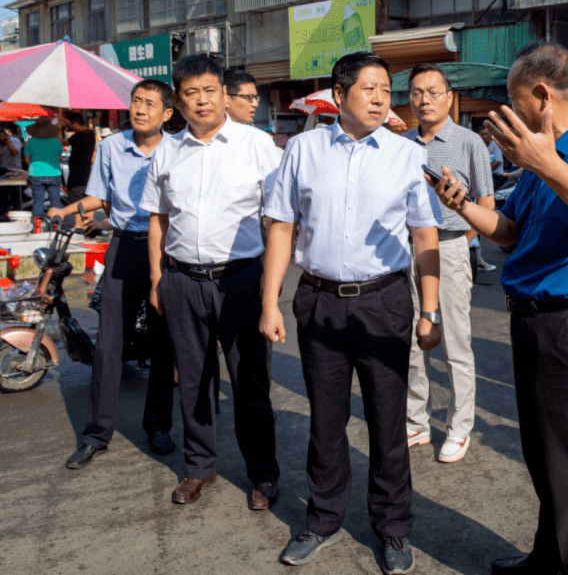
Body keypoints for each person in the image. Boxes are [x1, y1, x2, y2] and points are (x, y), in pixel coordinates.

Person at [433, 41, 568, 575]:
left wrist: (544, 162)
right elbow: (511, 232)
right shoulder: (540, 159)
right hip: (534, 317)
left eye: (515, 98)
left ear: (541, 95)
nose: (510, 109)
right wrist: (465, 206)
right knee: (546, 457)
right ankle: (550, 558)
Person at [259, 52, 441, 574]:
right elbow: (280, 226)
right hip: (318, 301)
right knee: (327, 421)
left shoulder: (407, 154)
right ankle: (323, 519)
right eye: (369, 88)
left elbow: (425, 234)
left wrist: (430, 309)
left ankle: (393, 528)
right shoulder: (303, 149)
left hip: (385, 303)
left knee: (388, 423)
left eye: (386, 88)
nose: (381, 97)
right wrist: (270, 301)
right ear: (339, 95)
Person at [141, 55, 280, 510]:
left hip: (240, 279)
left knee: (249, 382)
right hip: (182, 280)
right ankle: (199, 467)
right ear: (177, 102)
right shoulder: (167, 150)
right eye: (190, 93)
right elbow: (159, 218)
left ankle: (263, 474)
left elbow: (281, 216)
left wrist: (271, 292)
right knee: (194, 381)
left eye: (209, 91)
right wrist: (158, 278)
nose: (201, 101)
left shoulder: (257, 145)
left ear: (224, 93)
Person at [56, 80, 177, 470]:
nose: (140, 109)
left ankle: (158, 425)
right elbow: (103, 197)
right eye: (136, 102)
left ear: (167, 113)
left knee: (163, 342)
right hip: (124, 247)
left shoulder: (179, 150)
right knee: (109, 344)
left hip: (167, 251)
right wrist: (70, 212)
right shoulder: (110, 147)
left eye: (150, 104)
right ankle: (96, 434)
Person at [403, 63, 494, 464]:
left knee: (455, 343)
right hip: (407, 250)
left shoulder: (469, 141)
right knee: (411, 341)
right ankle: (416, 422)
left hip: (452, 246)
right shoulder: (401, 144)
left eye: (433, 91)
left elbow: (487, 205)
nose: (424, 99)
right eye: (417, 92)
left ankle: (460, 428)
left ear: (449, 97)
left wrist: (460, 242)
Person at [59, 113, 97, 230]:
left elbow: (63, 142)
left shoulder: (78, 136)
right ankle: (88, 227)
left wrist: (60, 124)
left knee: (77, 201)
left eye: (72, 125)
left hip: (77, 175)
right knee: (88, 201)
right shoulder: (90, 135)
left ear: (75, 123)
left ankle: (77, 227)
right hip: (88, 173)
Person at [23, 116, 64, 219]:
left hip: (35, 173)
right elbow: (59, 157)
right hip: (54, 173)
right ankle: (56, 227)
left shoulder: (30, 142)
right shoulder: (56, 141)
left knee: (38, 201)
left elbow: (27, 160)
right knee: (55, 201)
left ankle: (38, 228)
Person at [480, 125, 506, 190]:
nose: (484, 136)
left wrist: (485, 168)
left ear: (490, 134)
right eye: (482, 134)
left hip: (496, 176)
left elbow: (498, 161)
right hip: (484, 177)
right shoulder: (479, 146)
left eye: (486, 134)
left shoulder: (495, 145)